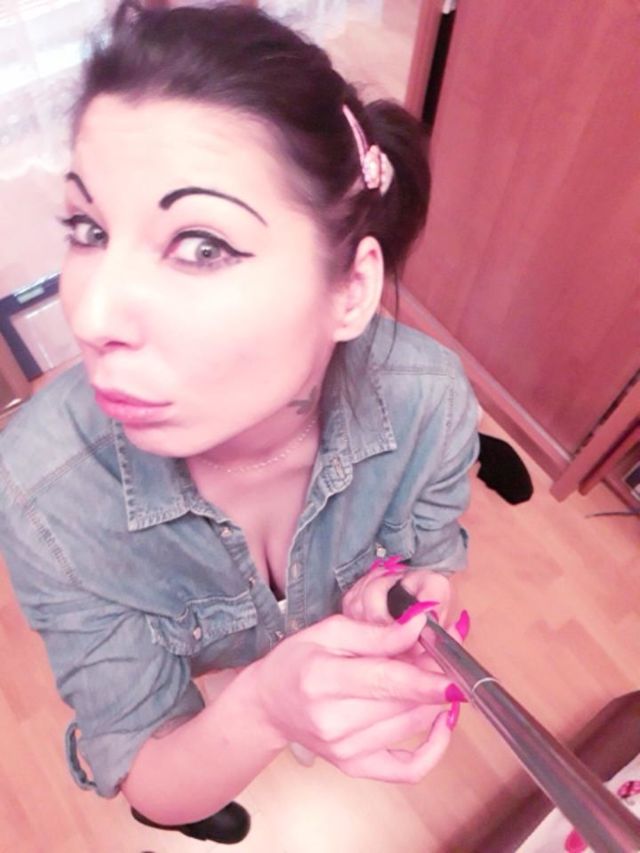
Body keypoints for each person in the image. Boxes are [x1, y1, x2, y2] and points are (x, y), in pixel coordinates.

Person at [0, 1, 480, 845]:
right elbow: (149, 772)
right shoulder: (42, 490)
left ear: (351, 289)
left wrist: (405, 595)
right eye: (89, 229)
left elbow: (430, 556)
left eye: (202, 245)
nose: (92, 314)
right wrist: (259, 708)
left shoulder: (428, 401)